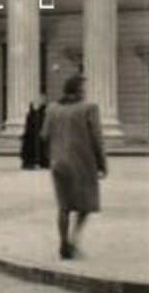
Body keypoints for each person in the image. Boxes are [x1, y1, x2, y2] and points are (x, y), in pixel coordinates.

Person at [40, 74, 107, 261]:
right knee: (85, 204)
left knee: (63, 206)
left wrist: (51, 157)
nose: (85, 92)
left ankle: (63, 243)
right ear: (78, 90)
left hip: (58, 163)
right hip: (83, 163)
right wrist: (102, 164)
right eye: (83, 89)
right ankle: (74, 240)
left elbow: (44, 136)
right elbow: (97, 139)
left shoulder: (52, 109)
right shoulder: (89, 108)